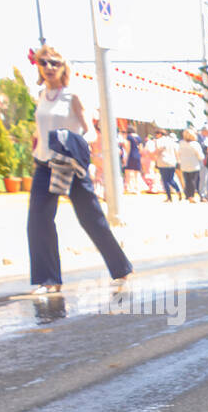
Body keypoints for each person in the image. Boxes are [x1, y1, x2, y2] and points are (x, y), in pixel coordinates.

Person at [26, 44, 131, 294]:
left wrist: (72, 140)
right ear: (38, 67)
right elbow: (40, 129)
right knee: (38, 221)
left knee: (91, 219)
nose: (49, 67)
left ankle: (121, 268)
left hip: (69, 164)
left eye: (55, 62)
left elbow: (91, 131)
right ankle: (49, 279)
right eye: (44, 62)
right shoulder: (40, 95)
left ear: (63, 67)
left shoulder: (72, 96)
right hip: (43, 165)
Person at [150, 129, 181, 202]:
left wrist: (154, 155)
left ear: (160, 134)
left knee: (165, 180)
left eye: (157, 133)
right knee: (171, 179)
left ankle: (169, 197)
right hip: (172, 162)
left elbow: (157, 151)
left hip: (163, 161)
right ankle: (178, 190)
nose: (156, 135)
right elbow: (176, 151)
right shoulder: (171, 141)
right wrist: (178, 160)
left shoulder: (159, 141)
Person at [177, 128, 203, 202]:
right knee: (192, 181)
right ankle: (191, 196)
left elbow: (178, 153)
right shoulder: (195, 144)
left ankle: (187, 195)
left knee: (187, 180)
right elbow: (200, 156)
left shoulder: (181, 143)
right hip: (194, 164)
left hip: (184, 164)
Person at [123, 123, 142, 193]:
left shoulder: (129, 137)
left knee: (128, 172)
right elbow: (141, 148)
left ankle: (130, 188)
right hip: (137, 155)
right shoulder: (139, 138)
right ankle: (137, 188)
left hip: (131, 155)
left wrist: (125, 158)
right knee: (137, 173)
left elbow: (127, 147)